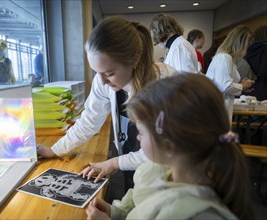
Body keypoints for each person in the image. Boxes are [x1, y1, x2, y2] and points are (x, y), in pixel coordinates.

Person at [86, 74, 255, 220]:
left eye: (141, 133)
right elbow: (139, 208)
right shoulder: (159, 171)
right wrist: (115, 212)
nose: (138, 137)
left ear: (168, 145)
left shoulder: (193, 213)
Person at [37, 17, 177, 190]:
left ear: (134, 61)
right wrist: (55, 150)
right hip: (130, 160)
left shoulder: (166, 84)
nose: (102, 81)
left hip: (166, 173)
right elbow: (88, 122)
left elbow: (161, 150)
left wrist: (114, 163)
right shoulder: (102, 80)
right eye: (97, 72)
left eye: (109, 73)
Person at [206, 25, 255, 123]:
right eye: (247, 44)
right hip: (218, 107)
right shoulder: (224, 58)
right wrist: (242, 86)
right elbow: (225, 86)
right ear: (241, 43)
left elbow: (223, 82)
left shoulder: (226, 58)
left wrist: (241, 84)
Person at [246, 25, 267, 101]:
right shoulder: (265, 50)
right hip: (264, 89)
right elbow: (264, 71)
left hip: (249, 88)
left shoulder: (248, 50)